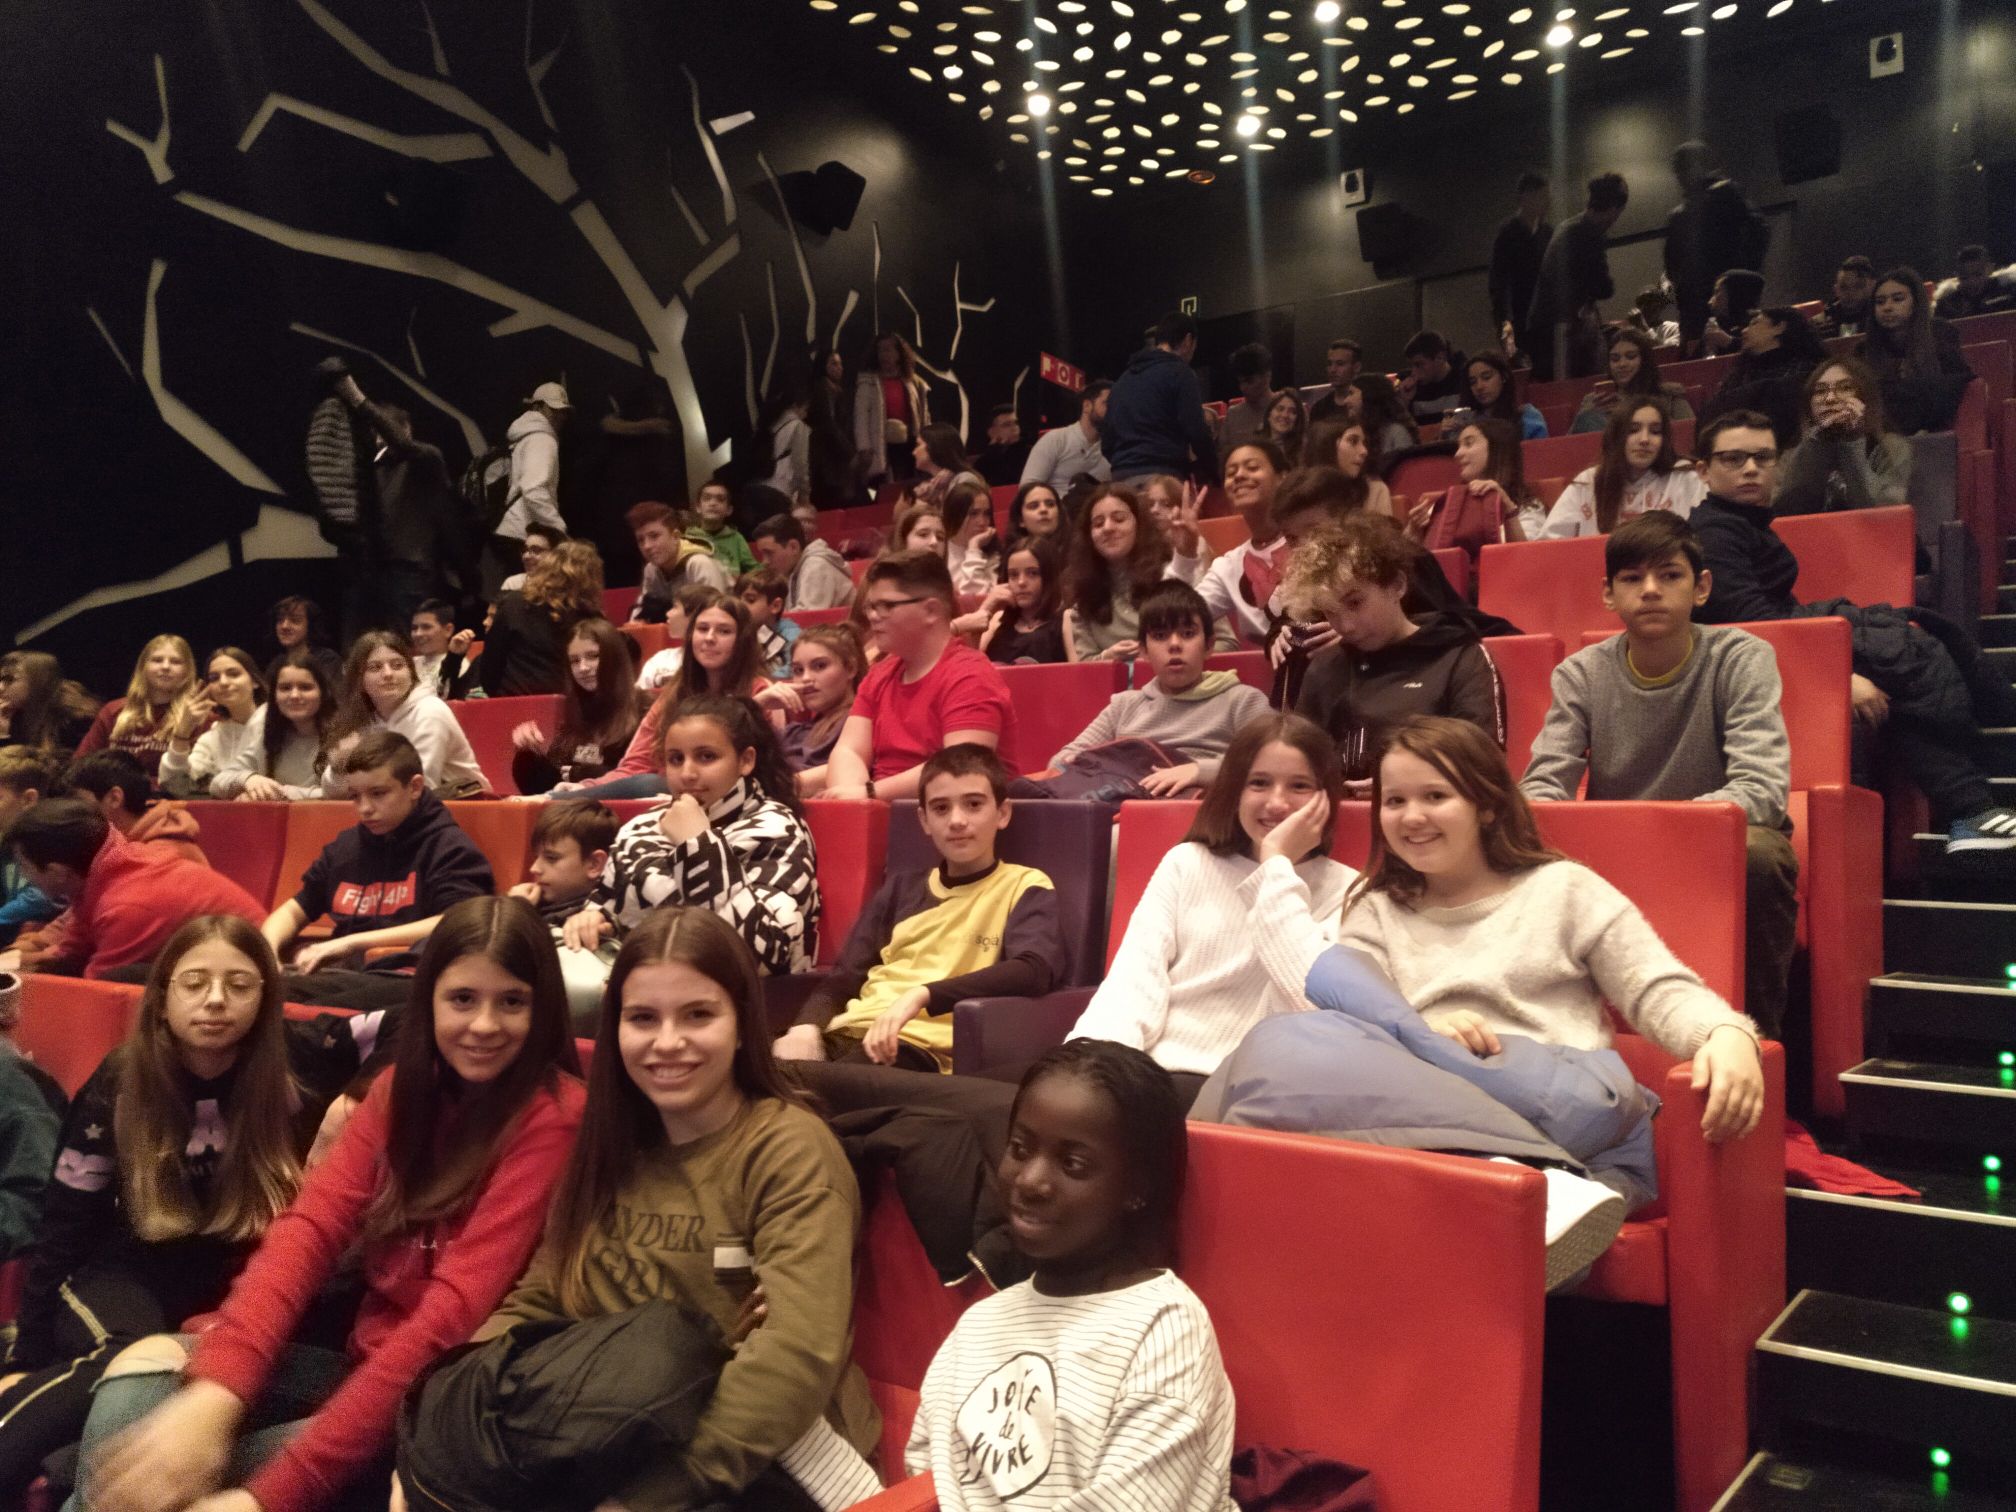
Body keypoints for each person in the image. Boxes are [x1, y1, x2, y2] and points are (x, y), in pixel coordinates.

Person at [67, 897, 586, 1512]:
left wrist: (265, 1499)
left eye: (512, 1002)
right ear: (430, 1001)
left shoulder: (555, 1117)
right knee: (139, 1389)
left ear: (543, 1009)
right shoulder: (398, 1091)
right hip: (355, 1366)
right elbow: (308, 1231)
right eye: (463, 999)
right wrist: (218, 1391)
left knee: (156, 1486)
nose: (483, 1025)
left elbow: (447, 1319)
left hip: (437, 1405)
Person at [420, 907, 881, 1510]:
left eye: (697, 1015)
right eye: (643, 1018)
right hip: (606, 1440)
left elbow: (791, 1362)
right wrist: (444, 1438)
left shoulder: (788, 1149)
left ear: (743, 1025)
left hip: (761, 1465)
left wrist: (641, 1503)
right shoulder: (609, 1146)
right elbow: (536, 1303)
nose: (667, 1042)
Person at [1251, 716, 1762, 1211]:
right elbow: (1358, 1024)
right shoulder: (1375, 908)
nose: (1412, 817)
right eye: (1395, 801)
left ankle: (1524, 1185)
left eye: (1435, 796)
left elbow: (1655, 988)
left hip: (1550, 1093)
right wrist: (1423, 1031)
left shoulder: (1564, 889)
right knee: (1281, 1042)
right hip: (1429, 1104)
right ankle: (1517, 1189)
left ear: (1488, 807)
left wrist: (1724, 1033)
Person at [0, 916, 373, 1496]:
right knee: (129, 1357)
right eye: (195, 983)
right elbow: (66, 1218)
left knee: (189, 1374)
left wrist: (354, 1096)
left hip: (233, 1274)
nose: (216, 1000)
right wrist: (26, 1353)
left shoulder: (302, 1053)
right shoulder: (122, 1077)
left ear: (265, 995)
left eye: (239, 985)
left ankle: (71, 1469)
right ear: (164, 996)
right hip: (126, 1267)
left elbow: (411, 1020)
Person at [903, 1040, 1238, 1512]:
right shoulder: (978, 1326)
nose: (1030, 1180)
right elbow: (923, 1486)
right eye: (1020, 1149)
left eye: (1073, 1164)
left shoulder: (1164, 1327)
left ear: (1137, 1189)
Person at [1522, 511, 1800, 1033]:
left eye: (1669, 575)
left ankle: (1756, 1039)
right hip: (1617, 842)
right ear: (1609, 594)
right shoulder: (1580, 673)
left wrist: (1659, 832)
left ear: (1702, 588)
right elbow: (1543, 784)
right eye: (1632, 578)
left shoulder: (1741, 657)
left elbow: (1761, 788)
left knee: (1760, 854)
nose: (1650, 590)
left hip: (1716, 841)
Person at [1690, 410, 2016, 852]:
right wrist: (1837, 678)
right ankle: (1969, 809)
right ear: (1703, 470)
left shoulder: (1741, 520)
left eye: (1762, 458)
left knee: (1913, 634)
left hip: (1789, 634)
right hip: (1749, 659)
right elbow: (1751, 626)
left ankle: (1971, 800)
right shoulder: (1713, 532)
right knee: (1904, 656)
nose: (1750, 468)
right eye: (1733, 459)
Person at [1068, 714, 1353, 1104]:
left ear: (1326, 797)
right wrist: (1088, 1071)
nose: (1277, 803)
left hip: (1252, 1090)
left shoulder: (1349, 890)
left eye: (1299, 786)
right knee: (994, 1100)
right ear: (1235, 789)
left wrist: (1275, 866)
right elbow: (1133, 982)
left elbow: (1309, 1004)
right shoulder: (1187, 862)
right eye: (1259, 783)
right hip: (1149, 1074)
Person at [779, 743, 1059, 1073]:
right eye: (941, 808)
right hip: (848, 1033)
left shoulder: (1024, 885)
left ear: (1002, 813)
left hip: (911, 1047)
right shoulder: (901, 889)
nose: (957, 820)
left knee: (808, 1083)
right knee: (749, 1067)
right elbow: (845, 978)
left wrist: (923, 995)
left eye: (973, 804)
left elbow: (1033, 969)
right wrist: (805, 1027)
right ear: (924, 820)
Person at [562, 695, 819, 976]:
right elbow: (606, 906)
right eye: (676, 759)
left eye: (706, 757)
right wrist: (593, 920)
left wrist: (698, 846)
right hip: (637, 983)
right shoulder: (640, 828)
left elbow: (766, 956)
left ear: (745, 761)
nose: (687, 773)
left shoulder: (778, 829)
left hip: (739, 995)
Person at [264, 730, 495, 999]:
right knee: (262, 991)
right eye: (355, 796)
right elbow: (295, 911)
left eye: (378, 793)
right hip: (343, 976)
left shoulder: (449, 847)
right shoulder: (345, 848)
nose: (365, 808)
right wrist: (266, 952)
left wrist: (351, 943)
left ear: (415, 787)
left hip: (407, 980)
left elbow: (459, 922)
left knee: (280, 999)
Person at [1289, 514, 1506, 784]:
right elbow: (1297, 762)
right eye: (1330, 611)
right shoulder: (1325, 667)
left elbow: (1485, 766)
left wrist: (1401, 784)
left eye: (1355, 603)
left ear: (1397, 586)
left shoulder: (1460, 656)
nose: (1345, 625)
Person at [825, 552, 1020, 801]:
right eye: (870, 607)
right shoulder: (879, 674)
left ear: (930, 610)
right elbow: (849, 751)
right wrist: (857, 805)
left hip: (952, 815)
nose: (872, 616)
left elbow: (960, 768)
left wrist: (868, 794)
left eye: (886, 606)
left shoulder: (971, 676)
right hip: (886, 809)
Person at [6, 800, 264, 980]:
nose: (25, 875)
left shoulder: (126, 904)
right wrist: (11, 962)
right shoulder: (104, 870)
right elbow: (69, 955)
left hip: (250, 976)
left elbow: (94, 991)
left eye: (24, 866)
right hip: (209, 968)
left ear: (57, 871)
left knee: (116, 979)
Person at [1053, 583, 1268, 792]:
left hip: (1203, 807)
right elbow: (1060, 761)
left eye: (1187, 633)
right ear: (1144, 651)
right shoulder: (1124, 706)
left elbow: (1270, 762)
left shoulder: (1242, 701)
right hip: (1128, 803)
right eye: (1160, 636)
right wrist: (1079, 764)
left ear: (1209, 646)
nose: (1174, 645)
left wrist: (1199, 771)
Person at [341, 375, 466, 626]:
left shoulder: (426, 460)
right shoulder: (376, 469)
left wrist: (359, 400)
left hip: (412, 570)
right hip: (380, 572)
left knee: (410, 635)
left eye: (382, 431)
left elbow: (402, 444)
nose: (380, 440)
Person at [325, 631, 491, 796]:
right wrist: (338, 768)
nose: (388, 674)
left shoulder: (430, 712)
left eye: (397, 665)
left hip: (465, 805)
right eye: (375, 668)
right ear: (359, 680)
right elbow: (332, 794)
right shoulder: (361, 719)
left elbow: (418, 788)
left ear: (411, 673)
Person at [504, 799, 619, 1031]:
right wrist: (513, 909)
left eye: (551, 858)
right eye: (536, 856)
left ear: (595, 864)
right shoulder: (529, 904)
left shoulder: (607, 919)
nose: (535, 868)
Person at [509, 618, 645, 795]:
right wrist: (528, 753)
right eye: (574, 661)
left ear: (615, 658)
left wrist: (583, 774)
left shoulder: (644, 709)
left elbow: (641, 778)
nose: (583, 668)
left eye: (593, 656)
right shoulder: (576, 712)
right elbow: (546, 784)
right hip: (573, 808)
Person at [1543, 397, 1707, 539]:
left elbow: (1706, 539)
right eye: (1633, 430)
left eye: (1655, 431)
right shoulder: (1588, 481)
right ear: (1617, 435)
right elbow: (1549, 543)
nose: (1644, 439)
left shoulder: (1686, 478)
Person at [1663, 142, 1768, 354]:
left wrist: (1739, 276)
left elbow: (1672, 266)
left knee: (1706, 359)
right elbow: (1760, 234)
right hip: (1715, 301)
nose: (1680, 177)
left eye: (1683, 169)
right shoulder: (1730, 197)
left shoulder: (1719, 199)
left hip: (1712, 303)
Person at [1777, 357, 1913, 516]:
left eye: (1845, 388)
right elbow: (1784, 513)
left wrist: (1853, 440)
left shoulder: (1892, 448)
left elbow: (1885, 513)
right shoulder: (1793, 456)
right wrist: (1816, 442)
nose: (1830, 399)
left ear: (1865, 399)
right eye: (1820, 391)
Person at [1528, 171, 1630, 380]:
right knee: (1588, 383)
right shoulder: (1588, 234)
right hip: (1562, 331)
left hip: (1546, 330)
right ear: (1613, 209)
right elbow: (1604, 288)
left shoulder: (1569, 226)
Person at [1196, 439, 1296, 648]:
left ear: (1282, 477)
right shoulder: (1229, 566)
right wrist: (1185, 555)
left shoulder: (1311, 540)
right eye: (1231, 473)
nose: (1239, 476)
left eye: (1252, 467)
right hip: (1268, 666)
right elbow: (1184, 614)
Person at [1066, 483, 1181, 662]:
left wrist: (1160, 657)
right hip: (1112, 680)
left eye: (1119, 519)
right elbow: (1085, 667)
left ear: (1139, 525)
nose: (1107, 528)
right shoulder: (1084, 598)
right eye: (1098, 523)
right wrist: (1107, 658)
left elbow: (1222, 642)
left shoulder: (1174, 575)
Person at [1856, 265, 1976, 434]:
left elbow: (1955, 383)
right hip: (1881, 435)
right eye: (1880, 302)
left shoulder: (1940, 334)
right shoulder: (1863, 350)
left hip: (1935, 430)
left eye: (1898, 299)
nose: (1887, 307)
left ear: (1916, 303)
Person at [478, 538, 604, 699]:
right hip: (571, 706)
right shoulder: (593, 618)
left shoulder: (512, 604)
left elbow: (489, 672)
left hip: (515, 705)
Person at [1103, 310, 1219, 484]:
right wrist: (1216, 473)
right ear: (1188, 341)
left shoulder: (1121, 381)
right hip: (1163, 476)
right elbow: (1197, 432)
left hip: (1121, 479)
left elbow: (1106, 443)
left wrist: (1126, 463)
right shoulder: (1180, 372)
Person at [210, 647, 336, 802]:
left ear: (323, 693)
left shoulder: (344, 737)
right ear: (275, 696)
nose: (294, 695)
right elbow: (217, 783)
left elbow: (347, 793)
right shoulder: (267, 735)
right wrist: (249, 779)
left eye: (305, 687)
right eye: (285, 688)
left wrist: (278, 793)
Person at [1406, 418, 1538, 562]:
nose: (1457, 454)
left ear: (1497, 449)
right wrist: (1414, 531)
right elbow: (1408, 563)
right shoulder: (1447, 505)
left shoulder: (1527, 506)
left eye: (1468, 444)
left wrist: (1508, 508)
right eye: (1459, 446)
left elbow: (1527, 561)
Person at [1700, 306, 1831, 449]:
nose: (1744, 330)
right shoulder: (1740, 374)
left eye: (1754, 323)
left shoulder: (1805, 369)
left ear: (1779, 327)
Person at [73, 636, 200, 778]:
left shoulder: (198, 716)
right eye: (157, 660)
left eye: (175, 662)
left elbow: (198, 777)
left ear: (188, 671)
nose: (165, 667)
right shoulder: (113, 710)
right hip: (114, 789)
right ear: (142, 667)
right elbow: (80, 764)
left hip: (168, 791)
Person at [488, 380, 570, 597]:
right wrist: (558, 530)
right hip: (524, 533)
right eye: (554, 410)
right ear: (538, 407)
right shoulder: (543, 438)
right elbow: (534, 489)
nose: (560, 416)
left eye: (563, 411)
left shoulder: (522, 436)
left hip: (509, 529)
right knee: (532, 599)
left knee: (515, 599)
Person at [59, 750, 206, 865]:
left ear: (114, 798)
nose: (74, 811)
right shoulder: (117, 844)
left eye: (79, 801)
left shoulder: (164, 857)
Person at [157, 647, 265, 799]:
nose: (223, 682)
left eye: (233, 674)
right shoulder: (212, 738)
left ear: (255, 681)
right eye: (214, 678)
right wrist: (182, 732)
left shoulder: (277, 721)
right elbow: (174, 786)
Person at [780, 625, 868, 790]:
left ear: (851, 668)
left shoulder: (862, 724)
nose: (806, 678)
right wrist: (759, 704)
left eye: (819, 666)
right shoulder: (795, 732)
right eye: (798, 670)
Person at [1568, 327, 1696, 434]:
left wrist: (1627, 413)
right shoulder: (1593, 401)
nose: (1622, 364)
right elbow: (1569, 444)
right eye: (1615, 359)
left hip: (1656, 454)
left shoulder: (1669, 395)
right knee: (1588, 418)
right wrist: (1590, 411)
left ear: (1645, 361)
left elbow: (1688, 434)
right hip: (1607, 454)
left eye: (1631, 357)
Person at [0, 750, 63, 946]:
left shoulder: (54, 836)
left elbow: (41, 898)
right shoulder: (9, 835)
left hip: (42, 935)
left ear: (28, 799)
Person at [981, 535, 1075, 667]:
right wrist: (986, 608)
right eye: (1013, 575)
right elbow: (971, 665)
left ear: (1048, 578)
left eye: (1032, 573)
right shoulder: (997, 620)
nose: (1021, 582)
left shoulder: (1066, 619)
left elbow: (1077, 673)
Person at [1490, 172, 1554, 363]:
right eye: (1543, 197)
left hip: (1544, 321)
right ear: (1526, 198)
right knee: (1521, 368)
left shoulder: (1547, 233)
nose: (1548, 203)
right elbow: (1498, 283)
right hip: (1517, 321)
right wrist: (1505, 326)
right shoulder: (1508, 232)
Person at [630, 501, 730, 623]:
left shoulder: (700, 564)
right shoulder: (651, 569)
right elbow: (640, 616)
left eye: (654, 536)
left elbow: (716, 616)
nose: (647, 546)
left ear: (676, 536)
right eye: (640, 540)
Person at [856, 330, 933, 486]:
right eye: (880, 350)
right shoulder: (868, 383)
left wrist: (927, 441)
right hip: (881, 444)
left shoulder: (912, 381)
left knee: (908, 482)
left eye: (888, 350)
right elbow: (861, 417)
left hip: (908, 443)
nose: (883, 355)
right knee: (885, 485)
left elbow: (923, 414)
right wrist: (864, 447)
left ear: (899, 354)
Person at [748, 512, 856, 611]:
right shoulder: (792, 570)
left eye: (769, 553)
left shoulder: (816, 566)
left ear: (793, 547)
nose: (764, 562)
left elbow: (808, 619)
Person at [1020, 382, 1113, 495]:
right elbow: (1027, 489)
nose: (1113, 410)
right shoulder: (1055, 439)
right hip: (1056, 505)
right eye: (1107, 404)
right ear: (1087, 406)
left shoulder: (1112, 448)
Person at [0, 651, 98, 756]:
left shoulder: (73, 720)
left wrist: (4, 735)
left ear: (38, 680)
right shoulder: (16, 715)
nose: (0, 687)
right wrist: (3, 732)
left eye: (9, 679)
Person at [1304, 417, 1396, 517]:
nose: (1364, 451)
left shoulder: (1374, 491)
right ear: (1328, 444)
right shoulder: (1303, 492)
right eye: (1353, 441)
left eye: (1364, 443)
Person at [1460, 351, 1547, 440]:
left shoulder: (1526, 416)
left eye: (1486, 377)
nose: (1479, 387)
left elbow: (1539, 447)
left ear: (1504, 377)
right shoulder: (1470, 421)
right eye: (1473, 382)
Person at [264, 597, 344, 693]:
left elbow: (331, 696)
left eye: (295, 620)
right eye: (280, 620)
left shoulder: (327, 660)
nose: (284, 626)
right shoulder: (275, 664)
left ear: (310, 626)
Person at [686, 476, 759, 578]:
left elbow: (755, 570)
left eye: (720, 500)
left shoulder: (736, 538)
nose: (713, 503)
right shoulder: (687, 538)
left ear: (729, 510)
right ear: (698, 507)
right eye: (707, 499)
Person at [407, 599, 477, 702]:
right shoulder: (408, 664)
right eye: (414, 628)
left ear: (448, 630)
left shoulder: (459, 665)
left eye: (426, 627)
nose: (418, 634)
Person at [943, 478, 1002, 599]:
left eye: (986, 513)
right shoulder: (940, 552)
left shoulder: (993, 555)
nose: (982, 522)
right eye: (973, 513)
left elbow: (979, 598)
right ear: (955, 515)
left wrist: (974, 548)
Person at [735, 567, 798, 676]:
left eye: (750, 600)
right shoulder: (736, 631)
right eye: (737, 600)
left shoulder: (791, 635)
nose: (740, 606)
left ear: (775, 606)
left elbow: (794, 666)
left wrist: (764, 681)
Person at [1399, 331, 1468, 426]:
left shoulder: (1465, 380)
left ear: (1440, 358)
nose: (1414, 372)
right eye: (1412, 366)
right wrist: (1404, 402)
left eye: (1419, 364)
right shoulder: (1410, 387)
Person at [1933, 243, 2016, 321]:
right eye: (1964, 277)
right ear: (1956, 275)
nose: (1972, 281)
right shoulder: (1947, 305)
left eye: (1978, 274)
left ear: (1990, 269)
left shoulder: (2009, 293)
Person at [1353, 375, 1419, 467]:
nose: (1346, 400)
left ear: (1368, 398)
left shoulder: (1396, 432)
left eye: (1351, 394)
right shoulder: (1356, 431)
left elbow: (1407, 470)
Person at [1700, 268, 1767, 358]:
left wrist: (1729, 342)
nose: (1710, 302)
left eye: (1717, 292)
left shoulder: (1761, 325)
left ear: (1735, 294)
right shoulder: (1718, 325)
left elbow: (1764, 358)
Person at [1220, 342, 1276, 448]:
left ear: (1267, 376)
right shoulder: (1233, 415)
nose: (1243, 388)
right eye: (1240, 382)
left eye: (1249, 381)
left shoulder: (1287, 410)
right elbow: (1224, 454)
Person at [1812, 255, 1878, 339]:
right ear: (1836, 289)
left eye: (1858, 286)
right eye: (1843, 287)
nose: (1850, 293)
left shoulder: (1881, 316)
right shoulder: (1822, 323)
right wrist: (1812, 336)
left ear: (1873, 286)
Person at [1306, 338, 1364, 426]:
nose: (1333, 370)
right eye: (1330, 364)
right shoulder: (1319, 408)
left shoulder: (1366, 404)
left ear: (1356, 367)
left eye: (1340, 364)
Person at [497, 521, 563, 595]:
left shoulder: (568, 585)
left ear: (556, 554)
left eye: (536, 550)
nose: (525, 556)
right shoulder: (514, 584)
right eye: (525, 550)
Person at [974, 402, 1031, 487]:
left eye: (1016, 423)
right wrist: (994, 452)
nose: (1014, 428)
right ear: (991, 432)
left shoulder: (1029, 452)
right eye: (1007, 425)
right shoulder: (983, 463)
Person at [1262, 387, 1310, 465]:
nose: (1285, 415)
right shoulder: (1255, 446)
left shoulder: (1305, 450)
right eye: (1280, 409)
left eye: (1292, 412)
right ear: (1269, 414)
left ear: (1298, 419)